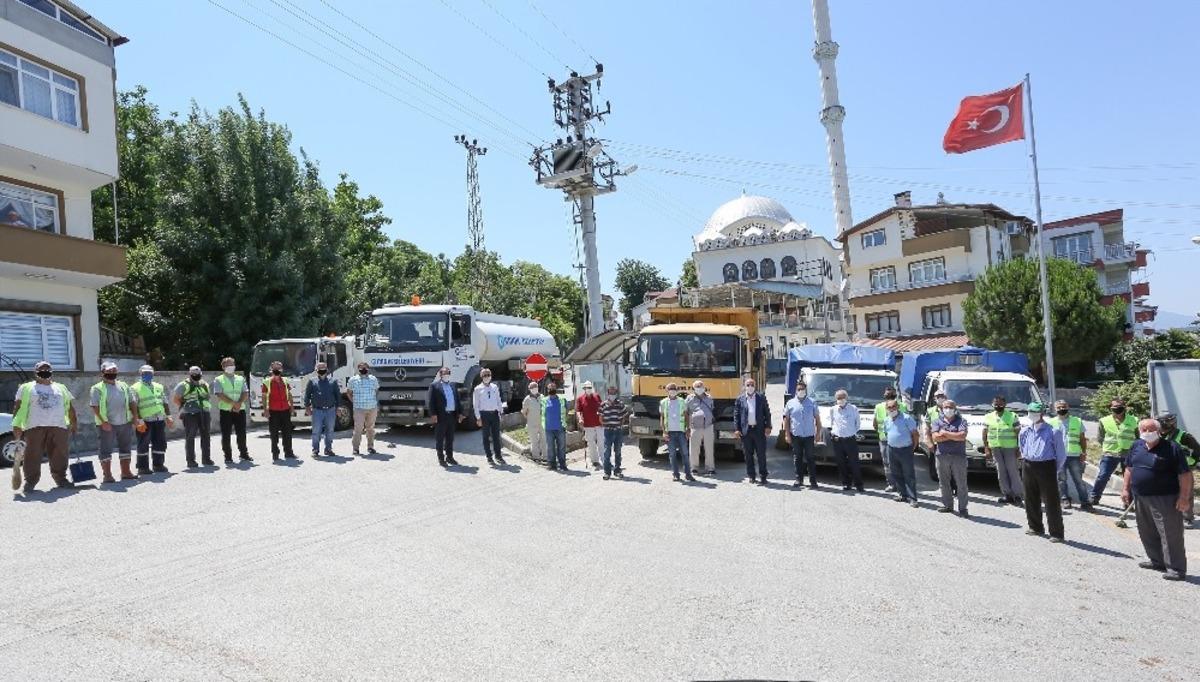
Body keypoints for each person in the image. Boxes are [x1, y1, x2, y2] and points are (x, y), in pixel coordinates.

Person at [1123, 418, 1192, 580]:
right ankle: (1157, 561)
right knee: (1146, 531)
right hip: (1141, 497)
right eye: (1144, 430)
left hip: (1165, 498)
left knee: (1170, 534)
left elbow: (1185, 474)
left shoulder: (1172, 448)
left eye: (1151, 430)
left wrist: (1184, 497)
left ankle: (1176, 569)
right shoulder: (1136, 445)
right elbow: (1129, 468)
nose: (1147, 433)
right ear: (1139, 431)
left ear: (1159, 431)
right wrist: (1125, 489)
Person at [11, 361, 77, 494]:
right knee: (32, 455)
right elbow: (17, 407)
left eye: (47, 369)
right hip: (34, 426)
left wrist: (74, 422)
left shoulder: (61, 388)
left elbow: (69, 407)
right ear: (35, 372)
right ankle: (30, 482)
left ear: (52, 372)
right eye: (41, 369)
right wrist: (16, 425)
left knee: (60, 453)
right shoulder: (26, 387)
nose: (45, 371)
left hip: (58, 426)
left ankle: (61, 479)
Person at [1019, 402, 1067, 543]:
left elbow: (1061, 454)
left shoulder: (1053, 431)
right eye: (1030, 412)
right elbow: (1022, 447)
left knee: (1051, 500)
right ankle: (1035, 527)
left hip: (1046, 466)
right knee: (1030, 497)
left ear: (1041, 414)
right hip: (1028, 464)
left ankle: (1057, 533)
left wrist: (1053, 469)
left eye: (1035, 412)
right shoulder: (1025, 431)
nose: (1032, 415)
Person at [90, 361, 137, 481]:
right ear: (102, 373)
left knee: (126, 448)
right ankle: (107, 475)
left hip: (125, 422)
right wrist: (103, 422)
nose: (112, 373)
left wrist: (135, 417)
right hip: (107, 424)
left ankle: (126, 472)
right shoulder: (97, 388)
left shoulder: (124, 385)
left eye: (114, 371)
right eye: (109, 371)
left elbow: (132, 402)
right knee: (105, 449)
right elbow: (95, 406)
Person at [1090, 398, 1139, 506]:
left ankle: (1128, 501)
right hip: (1110, 453)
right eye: (1114, 407)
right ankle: (1095, 496)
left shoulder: (1134, 420)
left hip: (1128, 454)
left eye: (1119, 407)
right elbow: (1100, 437)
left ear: (1125, 407)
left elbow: (1138, 437)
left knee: (1129, 479)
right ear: (1110, 408)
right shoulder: (1104, 420)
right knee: (1103, 475)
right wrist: (1107, 447)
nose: (1117, 409)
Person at [1047, 400, 1091, 511]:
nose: (1062, 409)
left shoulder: (1077, 421)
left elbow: (1082, 439)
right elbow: (1048, 441)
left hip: (1074, 456)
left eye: (1064, 407)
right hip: (1059, 456)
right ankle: (1065, 499)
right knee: (1061, 480)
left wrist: (1083, 452)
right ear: (1055, 409)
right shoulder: (1050, 423)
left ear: (1068, 407)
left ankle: (1085, 502)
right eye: (1059, 407)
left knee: (1078, 480)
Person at [1157, 413, 1198, 525]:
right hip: (1166, 468)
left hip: (1183, 469)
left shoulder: (1184, 436)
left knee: (1186, 493)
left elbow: (1197, 452)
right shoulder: (1158, 435)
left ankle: (1187, 518)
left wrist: (1190, 463)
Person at [131, 364, 173, 472]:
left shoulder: (159, 386)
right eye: (145, 373)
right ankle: (142, 467)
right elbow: (133, 406)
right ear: (141, 374)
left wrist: (168, 416)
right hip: (145, 420)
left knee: (160, 443)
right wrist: (139, 420)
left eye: (149, 373)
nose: (147, 375)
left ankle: (158, 465)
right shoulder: (135, 388)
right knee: (143, 444)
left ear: (153, 374)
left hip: (159, 419)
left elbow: (165, 402)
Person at [932, 399, 970, 517]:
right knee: (944, 482)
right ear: (942, 409)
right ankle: (948, 505)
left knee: (961, 483)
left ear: (955, 409)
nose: (948, 409)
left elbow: (962, 436)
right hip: (942, 456)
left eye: (950, 407)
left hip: (958, 456)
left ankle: (963, 508)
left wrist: (945, 433)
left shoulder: (962, 421)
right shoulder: (936, 421)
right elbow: (936, 438)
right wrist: (954, 435)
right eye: (946, 407)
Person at [983, 395, 1023, 506]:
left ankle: (1017, 495)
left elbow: (1019, 433)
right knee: (1001, 472)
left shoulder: (1012, 416)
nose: (998, 406)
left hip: (1010, 448)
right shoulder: (988, 417)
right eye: (996, 404)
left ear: (1005, 404)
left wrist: (1019, 448)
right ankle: (1007, 494)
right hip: (995, 448)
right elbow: (985, 433)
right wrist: (986, 448)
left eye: (1000, 404)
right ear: (992, 404)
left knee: (1013, 471)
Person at [782, 380, 822, 488]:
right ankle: (799, 480)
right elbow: (786, 420)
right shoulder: (790, 403)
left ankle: (813, 481)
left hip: (809, 435)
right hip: (796, 435)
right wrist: (787, 434)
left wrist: (818, 433)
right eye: (799, 389)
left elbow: (817, 419)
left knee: (810, 458)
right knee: (797, 458)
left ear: (806, 390)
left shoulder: (812, 402)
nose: (801, 391)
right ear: (796, 390)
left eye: (802, 389)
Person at [213, 356, 251, 464]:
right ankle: (228, 456)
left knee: (242, 433)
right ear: (223, 367)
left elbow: (245, 392)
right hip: (226, 410)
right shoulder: (218, 379)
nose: (231, 366)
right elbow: (219, 394)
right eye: (228, 364)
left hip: (240, 410)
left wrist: (239, 403)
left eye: (232, 364)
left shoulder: (240, 378)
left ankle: (244, 454)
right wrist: (234, 403)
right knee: (226, 434)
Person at [735, 377, 772, 485]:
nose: (750, 387)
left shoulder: (761, 398)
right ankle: (751, 476)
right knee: (748, 455)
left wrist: (768, 426)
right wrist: (737, 429)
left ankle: (763, 476)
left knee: (761, 454)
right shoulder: (740, 399)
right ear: (744, 387)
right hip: (746, 431)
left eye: (752, 385)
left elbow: (767, 413)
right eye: (748, 385)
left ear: (755, 386)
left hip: (759, 430)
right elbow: (736, 415)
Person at [173, 367, 213, 467]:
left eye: (198, 374)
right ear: (190, 374)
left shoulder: (204, 384)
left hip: (204, 412)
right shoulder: (183, 385)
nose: (196, 376)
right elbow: (176, 399)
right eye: (194, 374)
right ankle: (191, 461)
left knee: (206, 436)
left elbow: (207, 397)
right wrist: (186, 408)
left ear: (201, 374)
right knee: (190, 437)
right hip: (190, 414)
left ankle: (206, 459)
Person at [883, 399, 920, 507]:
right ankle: (902, 495)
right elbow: (886, 432)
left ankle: (912, 498)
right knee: (896, 473)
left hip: (905, 449)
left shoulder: (907, 418)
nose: (891, 409)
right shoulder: (887, 419)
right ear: (886, 408)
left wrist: (913, 447)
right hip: (892, 449)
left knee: (909, 474)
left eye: (893, 406)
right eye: (889, 407)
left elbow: (915, 434)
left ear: (898, 407)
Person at [427, 366, 463, 466]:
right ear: (440, 375)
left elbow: (457, 400)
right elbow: (431, 402)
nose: (447, 375)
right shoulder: (434, 386)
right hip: (441, 416)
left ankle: (449, 457)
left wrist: (460, 413)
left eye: (448, 373)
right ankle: (441, 458)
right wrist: (433, 414)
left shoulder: (453, 385)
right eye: (445, 373)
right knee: (440, 439)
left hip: (452, 416)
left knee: (450, 438)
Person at [828, 389, 863, 492]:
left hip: (850, 440)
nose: (840, 400)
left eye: (842, 398)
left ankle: (859, 485)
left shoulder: (853, 409)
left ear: (846, 398)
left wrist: (850, 432)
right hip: (837, 440)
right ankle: (846, 484)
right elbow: (832, 423)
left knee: (854, 463)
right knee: (841, 463)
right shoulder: (833, 409)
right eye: (838, 398)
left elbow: (858, 424)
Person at [874, 387, 906, 492]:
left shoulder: (902, 406)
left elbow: (906, 422)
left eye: (891, 394)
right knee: (887, 463)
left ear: (895, 395)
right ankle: (892, 484)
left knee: (899, 463)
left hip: (899, 439)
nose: (889, 396)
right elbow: (875, 423)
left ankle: (901, 485)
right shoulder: (878, 407)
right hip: (884, 440)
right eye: (887, 394)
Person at [262, 360, 295, 461]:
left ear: (282, 370)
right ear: (271, 369)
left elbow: (289, 394)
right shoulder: (267, 382)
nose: (277, 370)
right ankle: (275, 454)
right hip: (273, 410)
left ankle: (288, 452)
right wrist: (265, 410)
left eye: (279, 368)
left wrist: (292, 407)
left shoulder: (285, 380)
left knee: (287, 433)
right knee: (274, 433)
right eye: (275, 368)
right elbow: (264, 397)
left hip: (285, 409)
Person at [305, 361, 339, 458]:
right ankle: (315, 450)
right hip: (317, 410)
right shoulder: (312, 381)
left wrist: (338, 408)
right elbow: (307, 395)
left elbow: (337, 396)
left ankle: (328, 449)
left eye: (323, 369)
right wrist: (307, 407)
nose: (322, 371)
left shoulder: (333, 381)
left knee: (330, 431)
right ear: (316, 370)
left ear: (327, 369)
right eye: (319, 369)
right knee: (316, 431)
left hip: (330, 410)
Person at [473, 369, 506, 466]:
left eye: (488, 375)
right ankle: (489, 457)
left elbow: (498, 400)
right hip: (484, 415)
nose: (487, 377)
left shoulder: (494, 387)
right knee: (486, 437)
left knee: (496, 436)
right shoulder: (478, 389)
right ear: (481, 377)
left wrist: (501, 412)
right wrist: (478, 418)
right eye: (485, 375)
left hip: (494, 414)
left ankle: (498, 456)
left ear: (491, 375)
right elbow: (476, 405)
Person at [346, 361, 380, 457]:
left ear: (368, 369)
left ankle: (370, 447)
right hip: (359, 408)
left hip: (372, 408)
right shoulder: (353, 380)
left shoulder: (373, 379)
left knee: (370, 428)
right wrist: (354, 402)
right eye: (361, 368)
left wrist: (373, 401)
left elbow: (376, 391)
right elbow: (349, 393)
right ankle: (356, 449)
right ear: (358, 369)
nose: (363, 369)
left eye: (365, 368)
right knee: (358, 429)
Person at [661, 383, 693, 482]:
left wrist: (688, 429)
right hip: (669, 432)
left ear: (677, 390)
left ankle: (688, 474)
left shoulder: (682, 401)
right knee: (672, 454)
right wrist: (664, 432)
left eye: (674, 389)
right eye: (670, 389)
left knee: (685, 454)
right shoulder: (663, 402)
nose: (672, 390)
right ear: (667, 390)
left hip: (681, 432)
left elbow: (686, 415)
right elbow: (662, 417)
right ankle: (676, 474)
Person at [686, 380, 716, 475]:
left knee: (709, 448)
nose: (699, 388)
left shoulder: (709, 398)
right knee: (694, 448)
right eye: (697, 386)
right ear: (694, 388)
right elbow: (686, 413)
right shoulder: (689, 398)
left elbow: (711, 408)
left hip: (708, 425)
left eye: (701, 386)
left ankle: (710, 468)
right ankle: (694, 467)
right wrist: (687, 427)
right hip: (695, 426)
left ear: (704, 388)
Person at [600, 385, 630, 480]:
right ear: (608, 393)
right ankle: (607, 472)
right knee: (607, 452)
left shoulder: (620, 404)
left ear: (616, 393)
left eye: (614, 392)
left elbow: (624, 416)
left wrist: (620, 425)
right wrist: (605, 425)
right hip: (608, 431)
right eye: (610, 392)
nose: (612, 394)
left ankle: (617, 471)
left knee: (618, 451)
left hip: (618, 431)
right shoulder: (603, 404)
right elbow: (600, 417)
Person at [575, 380, 603, 470]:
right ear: (584, 389)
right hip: (588, 425)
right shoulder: (580, 399)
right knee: (591, 443)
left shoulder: (597, 396)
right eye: (587, 388)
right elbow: (578, 411)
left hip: (599, 424)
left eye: (590, 387)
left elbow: (602, 407)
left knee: (601, 442)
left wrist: (603, 417)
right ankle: (595, 461)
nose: (589, 389)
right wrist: (580, 419)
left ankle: (604, 460)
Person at [541, 381, 569, 471]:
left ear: (555, 389)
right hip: (549, 428)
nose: (551, 390)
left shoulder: (562, 399)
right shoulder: (544, 400)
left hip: (560, 427)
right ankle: (552, 465)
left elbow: (567, 410)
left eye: (553, 388)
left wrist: (563, 422)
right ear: (547, 390)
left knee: (561, 447)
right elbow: (542, 413)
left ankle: (562, 465)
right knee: (550, 447)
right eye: (550, 388)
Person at [521, 381, 546, 464]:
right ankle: (536, 457)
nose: (534, 388)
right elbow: (524, 412)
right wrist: (529, 418)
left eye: (535, 387)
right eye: (532, 387)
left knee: (544, 439)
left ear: (538, 387)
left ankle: (545, 456)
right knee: (534, 440)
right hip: (532, 423)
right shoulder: (527, 399)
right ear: (529, 389)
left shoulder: (542, 397)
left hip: (542, 422)